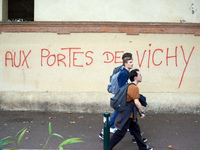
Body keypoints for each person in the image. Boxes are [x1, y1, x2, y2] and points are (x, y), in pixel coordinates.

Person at [99, 53, 147, 143]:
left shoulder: (126, 72)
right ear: (125, 63)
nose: (132, 64)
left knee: (132, 120)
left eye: (132, 62)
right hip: (123, 100)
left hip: (126, 100)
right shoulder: (123, 73)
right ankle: (103, 132)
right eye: (130, 62)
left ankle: (135, 138)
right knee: (117, 117)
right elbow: (122, 88)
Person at [109, 69, 153, 150]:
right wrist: (142, 111)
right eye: (140, 75)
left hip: (130, 113)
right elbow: (136, 102)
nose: (141, 76)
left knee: (136, 131)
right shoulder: (133, 88)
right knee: (120, 133)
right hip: (128, 114)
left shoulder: (129, 86)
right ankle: (107, 147)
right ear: (135, 77)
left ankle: (143, 147)